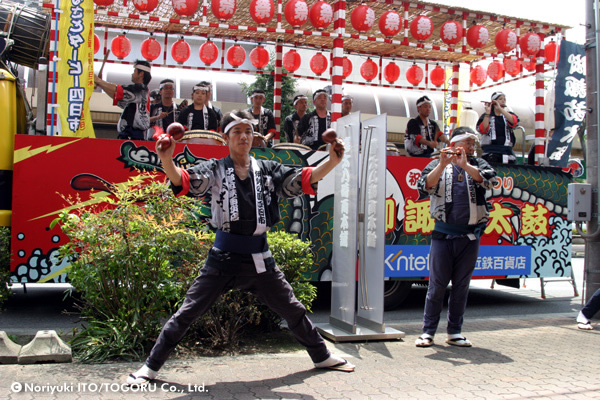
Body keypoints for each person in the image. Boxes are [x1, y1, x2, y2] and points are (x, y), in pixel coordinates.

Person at [126, 110, 354, 387]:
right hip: (222, 259)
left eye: (248, 131)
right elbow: (182, 181)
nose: (244, 136)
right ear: (226, 137)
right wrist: (165, 158)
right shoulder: (214, 168)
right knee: (187, 312)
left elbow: (303, 178)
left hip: (260, 259)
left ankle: (320, 356)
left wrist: (332, 161)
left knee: (292, 309)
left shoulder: (268, 168)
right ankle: (149, 368)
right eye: (237, 131)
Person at [414, 126, 496, 348]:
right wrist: (442, 164)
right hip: (443, 234)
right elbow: (424, 185)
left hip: (470, 236)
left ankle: (455, 331)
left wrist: (465, 165)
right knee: (437, 285)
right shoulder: (437, 162)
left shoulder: (478, 164)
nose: (472, 147)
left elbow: (489, 182)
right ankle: (428, 331)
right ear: (456, 143)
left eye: (473, 143)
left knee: (461, 285)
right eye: (468, 142)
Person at [94, 60, 152, 140]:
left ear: (141, 74)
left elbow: (118, 90)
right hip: (130, 134)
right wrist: (101, 84)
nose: (132, 74)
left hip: (134, 135)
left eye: (134, 71)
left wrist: (98, 80)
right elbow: (117, 96)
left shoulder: (140, 89)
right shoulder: (140, 92)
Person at [477, 92, 520, 164]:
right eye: (500, 99)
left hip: (507, 151)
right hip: (490, 151)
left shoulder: (508, 115)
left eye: (504, 99)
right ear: (494, 102)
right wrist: (488, 112)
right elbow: (483, 129)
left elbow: (514, 122)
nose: (503, 101)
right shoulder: (487, 116)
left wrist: (500, 109)